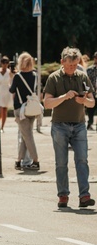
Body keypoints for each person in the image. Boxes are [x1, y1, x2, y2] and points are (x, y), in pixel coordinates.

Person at [43, 47, 96, 209]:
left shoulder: (83, 77)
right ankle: (63, 195)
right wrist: (64, 97)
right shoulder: (54, 78)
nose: (72, 69)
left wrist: (84, 102)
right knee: (61, 162)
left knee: (82, 160)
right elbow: (47, 103)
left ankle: (84, 196)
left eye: (74, 65)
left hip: (79, 124)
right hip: (59, 125)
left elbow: (92, 101)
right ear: (62, 62)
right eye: (69, 66)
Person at [9, 52, 40, 171]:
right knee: (25, 134)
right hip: (32, 108)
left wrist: (11, 78)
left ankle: (36, 160)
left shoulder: (18, 76)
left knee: (28, 136)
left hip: (20, 108)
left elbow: (12, 90)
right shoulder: (35, 75)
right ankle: (18, 160)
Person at [85, 52, 97, 131]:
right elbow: (87, 81)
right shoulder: (90, 69)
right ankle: (90, 123)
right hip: (92, 92)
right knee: (90, 110)